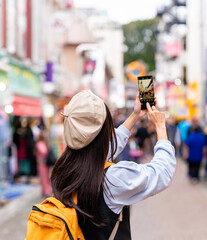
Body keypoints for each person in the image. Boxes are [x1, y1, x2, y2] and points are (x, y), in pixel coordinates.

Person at [50, 90, 176, 239]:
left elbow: (101, 147)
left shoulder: (64, 167)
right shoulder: (113, 178)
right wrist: (161, 127)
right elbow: (162, 172)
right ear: (105, 130)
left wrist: (135, 115)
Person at [35, 131, 52, 197]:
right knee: (45, 177)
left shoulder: (39, 143)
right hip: (43, 162)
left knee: (44, 177)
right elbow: (44, 151)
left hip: (42, 163)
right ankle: (46, 190)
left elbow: (43, 151)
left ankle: (46, 191)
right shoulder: (43, 143)